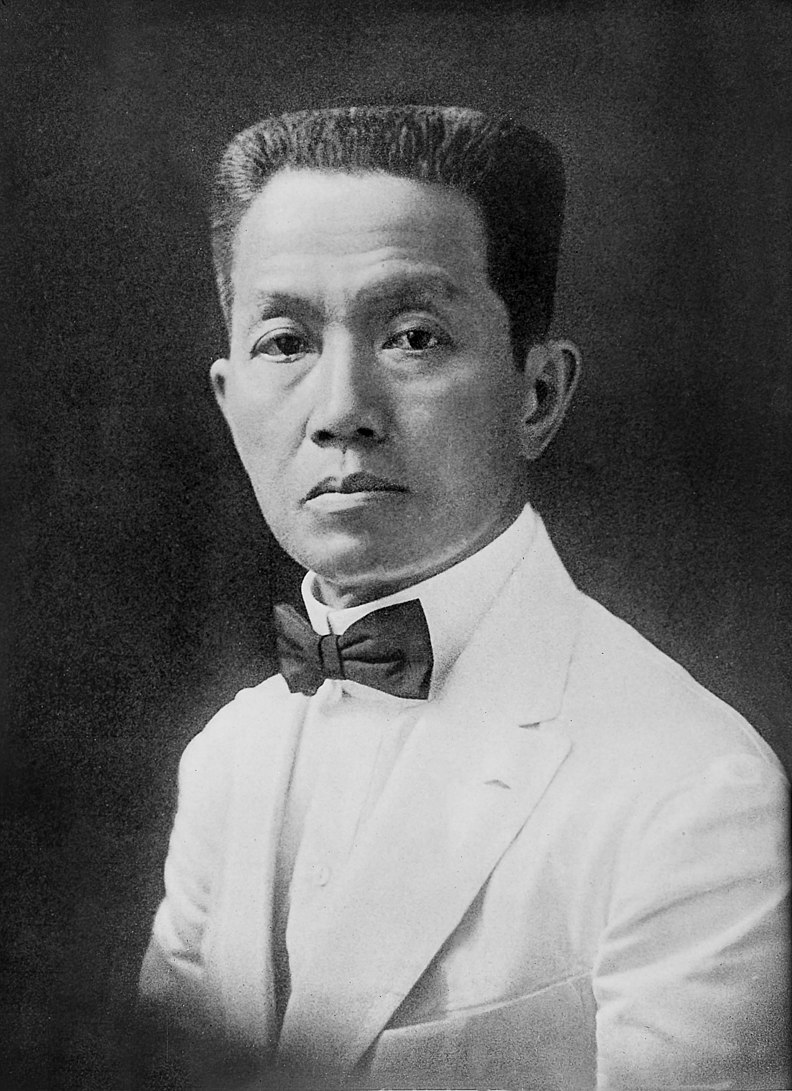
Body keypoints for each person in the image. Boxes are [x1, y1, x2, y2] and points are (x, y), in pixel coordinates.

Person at [138, 106, 789, 1090]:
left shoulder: (692, 794)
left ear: (537, 393)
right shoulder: (227, 757)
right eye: (285, 340)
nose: (340, 411)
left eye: (413, 336)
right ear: (230, 402)